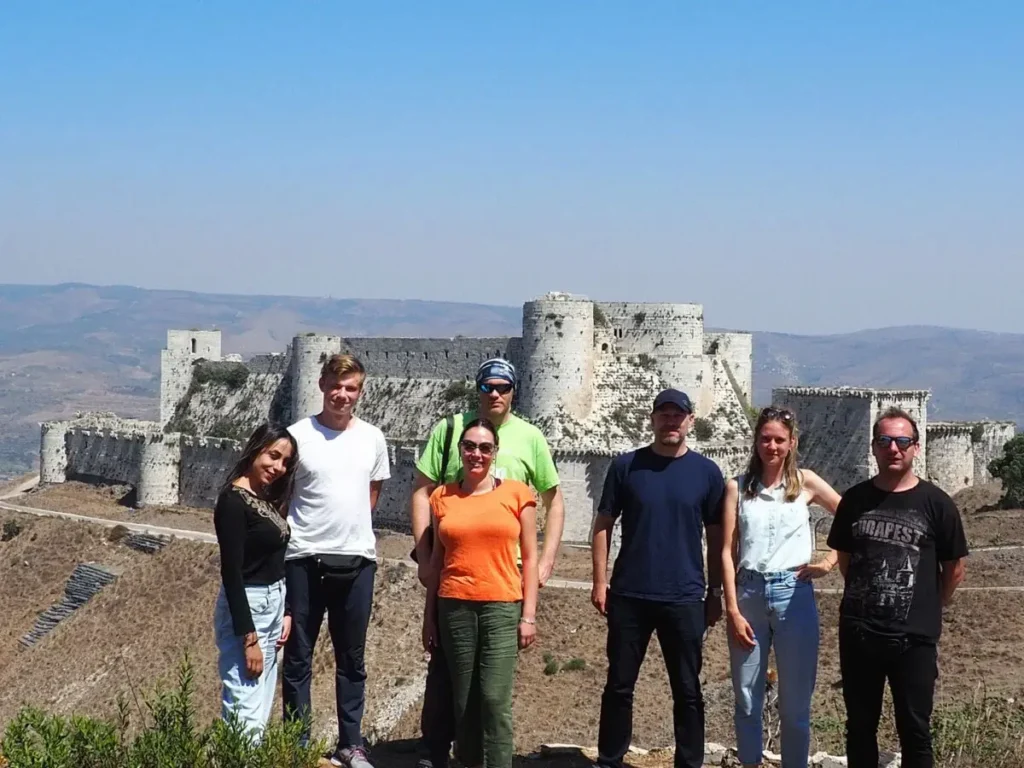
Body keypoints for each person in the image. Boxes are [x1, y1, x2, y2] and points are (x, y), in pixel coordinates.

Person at [409, 358, 563, 768]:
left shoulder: (526, 455)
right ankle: (442, 755)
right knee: (457, 693)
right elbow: (422, 494)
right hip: (454, 595)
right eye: (488, 386)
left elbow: (552, 505)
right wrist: (424, 561)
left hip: (504, 589)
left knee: (493, 697)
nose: (495, 393)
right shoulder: (448, 448)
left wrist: (546, 566)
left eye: (503, 386)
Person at [591, 388, 725, 768]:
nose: (671, 421)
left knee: (688, 689)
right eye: (664, 414)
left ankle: (689, 762)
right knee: (619, 685)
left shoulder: (707, 473)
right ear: (652, 419)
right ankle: (610, 759)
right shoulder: (626, 466)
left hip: (684, 598)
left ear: (690, 421)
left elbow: (716, 539)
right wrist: (600, 581)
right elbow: (602, 524)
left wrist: (714, 592)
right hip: (629, 595)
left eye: (678, 415)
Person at [828, 407, 968, 768]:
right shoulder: (854, 501)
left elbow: (954, 567)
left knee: (915, 731)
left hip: (914, 641)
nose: (894, 448)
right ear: (873, 448)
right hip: (859, 636)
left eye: (903, 441)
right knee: (859, 727)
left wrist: (931, 605)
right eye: (885, 440)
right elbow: (846, 558)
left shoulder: (937, 504)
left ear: (916, 448)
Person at [282, 353, 391, 768]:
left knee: (352, 659)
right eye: (336, 386)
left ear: (360, 392)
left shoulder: (373, 438)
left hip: (357, 560)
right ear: (322, 384)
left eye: (351, 388)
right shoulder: (297, 437)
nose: (342, 395)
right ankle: (296, 745)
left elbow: (372, 494)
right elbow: (284, 495)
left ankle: (351, 743)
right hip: (304, 559)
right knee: (297, 659)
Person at [720, 407, 842, 768]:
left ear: (792, 444)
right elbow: (726, 551)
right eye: (765, 439)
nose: (771, 446)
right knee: (745, 697)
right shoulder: (737, 488)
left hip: (794, 594)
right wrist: (731, 609)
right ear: (756, 442)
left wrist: (829, 562)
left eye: (779, 440)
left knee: (796, 702)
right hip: (749, 595)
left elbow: (851, 517)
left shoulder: (806, 482)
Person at [422, 417, 539, 768]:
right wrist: (429, 620)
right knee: (464, 701)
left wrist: (529, 616)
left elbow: (531, 558)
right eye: (470, 446)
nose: (476, 454)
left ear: (495, 452)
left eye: (484, 448)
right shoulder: (442, 497)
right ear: (460, 450)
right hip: (453, 605)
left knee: (493, 700)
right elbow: (437, 564)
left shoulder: (518, 494)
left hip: (502, 607)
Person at [213, 423, 297, 737]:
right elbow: (232, 574)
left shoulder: (261, 497)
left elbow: (274, 560)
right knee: (244, 708)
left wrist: (285, 610)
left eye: (285, 461)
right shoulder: (233, 502)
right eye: (273, 456)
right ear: (255, 450)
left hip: (271, 604)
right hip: (249, 609)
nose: (278, 467)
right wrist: (250, 641)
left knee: (260, 707)